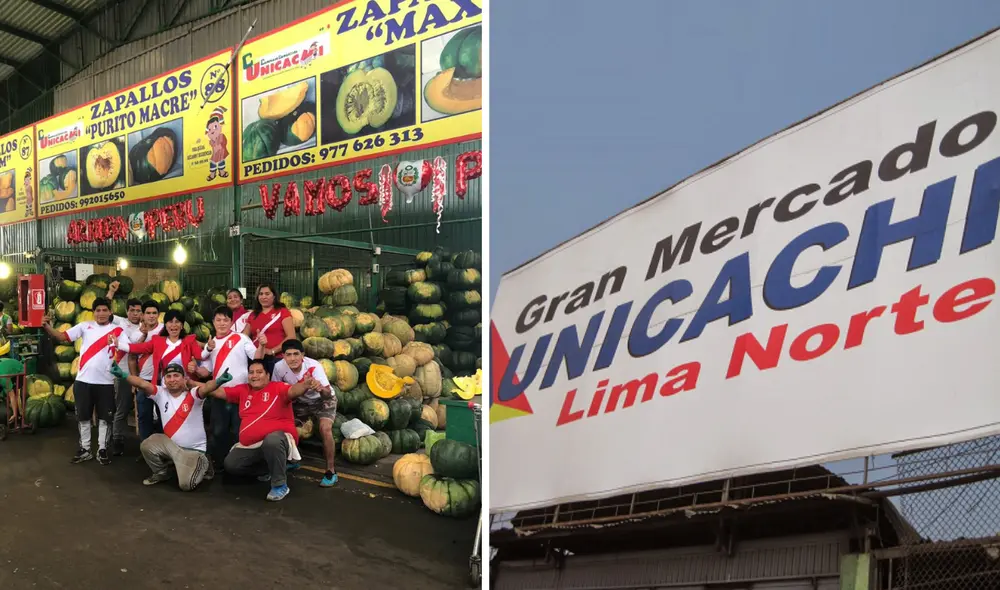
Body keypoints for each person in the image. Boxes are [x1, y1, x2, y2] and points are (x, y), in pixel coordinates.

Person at [202, 360, 317, 501]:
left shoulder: (278, 388)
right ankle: (268, 469)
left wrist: (305, 385)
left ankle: (280, 485)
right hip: (253, 445)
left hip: (278, 440)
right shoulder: (243, 390)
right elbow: (218, 392)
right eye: (251, 372)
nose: (254, 375)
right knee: (232, 465)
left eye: (259, 372)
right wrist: (191, 385)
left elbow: (293, 390)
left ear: (268, 375)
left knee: (272, 440)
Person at [111, 362, 233, 489]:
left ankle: (204, 464)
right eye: (168, 376)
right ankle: (161, 473)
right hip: (172, 448)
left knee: (186, 485)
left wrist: (218, 381)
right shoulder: (160, 393)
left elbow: (207, 387)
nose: (172, 379)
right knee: (147, 445)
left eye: (176, 375)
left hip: (193, 451)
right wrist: (124, 375)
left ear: (184, 378)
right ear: (164, 380)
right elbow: (142, 383)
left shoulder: (193, 394)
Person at [42, 298, 124, 465]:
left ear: (110, 312)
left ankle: (102, 450)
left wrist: (118, 348)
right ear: (93, 312)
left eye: (104, 310)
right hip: (83, 381)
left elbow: (127, 350)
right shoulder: (84, 326)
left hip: (106, 382)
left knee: (105, 419)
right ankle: (85, 449)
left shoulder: (118, 331)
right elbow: (62, 336)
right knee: (83, 417)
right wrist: (46, 326)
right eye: (98, 310)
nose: (101, 313)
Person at [200, 306, 265, 470]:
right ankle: (220, 465)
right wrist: (193, 368)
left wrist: (263, 345)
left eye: (226, 320)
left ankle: (240, 464)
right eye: (218, 320)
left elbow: (257, 357)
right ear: (213, 322)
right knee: (218, 431)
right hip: (219, 394)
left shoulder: (241, 338)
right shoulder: (211, 344)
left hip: (241, 394)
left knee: (239, 431)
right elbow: (206, 371)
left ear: (231, 321)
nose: (222, 323)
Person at [272, 340, 339, 487]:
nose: (293, 358)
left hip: (322, 401)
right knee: (284, 428)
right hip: (300, 402)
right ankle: (293, 461)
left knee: (325, 429)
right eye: (288, 355)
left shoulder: (314, 366)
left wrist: (320, 387)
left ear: (302, 355)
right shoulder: (278, 368)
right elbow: (276, 391)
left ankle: (331, 472)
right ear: (283, 356)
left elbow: (328, 395)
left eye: (296, 354)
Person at [115, 310, 203, 386]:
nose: (173, 325)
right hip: (166, 387)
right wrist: (118, 344)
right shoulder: (157, 341)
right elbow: (137, 348)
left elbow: (201, 358)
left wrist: (195, 363)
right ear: (165, 325)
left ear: (182, 325)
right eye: (170, 322)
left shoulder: (190, 341)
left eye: (177, 322)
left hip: (187, 386)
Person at [111, 297, 145, 455]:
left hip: (143, 374)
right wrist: (111, 292)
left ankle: (147, 443)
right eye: (132, 310)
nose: (135, 313)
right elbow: (106, 310)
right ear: (127, 311)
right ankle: (117, 438)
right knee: (122, 408)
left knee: (147, 410)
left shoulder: (147, 327)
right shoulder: (120, 322)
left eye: (138, 311)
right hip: (123, 373)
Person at [242, 283, 295, 374]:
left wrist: (272, 351)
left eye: (267, 294)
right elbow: (243, 337)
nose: (263, 297)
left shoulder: (282, 312)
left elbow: (291, 336)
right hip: (256, 359)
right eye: (261, 294)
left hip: (276, 359)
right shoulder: (253, 315)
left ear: (274, 296)